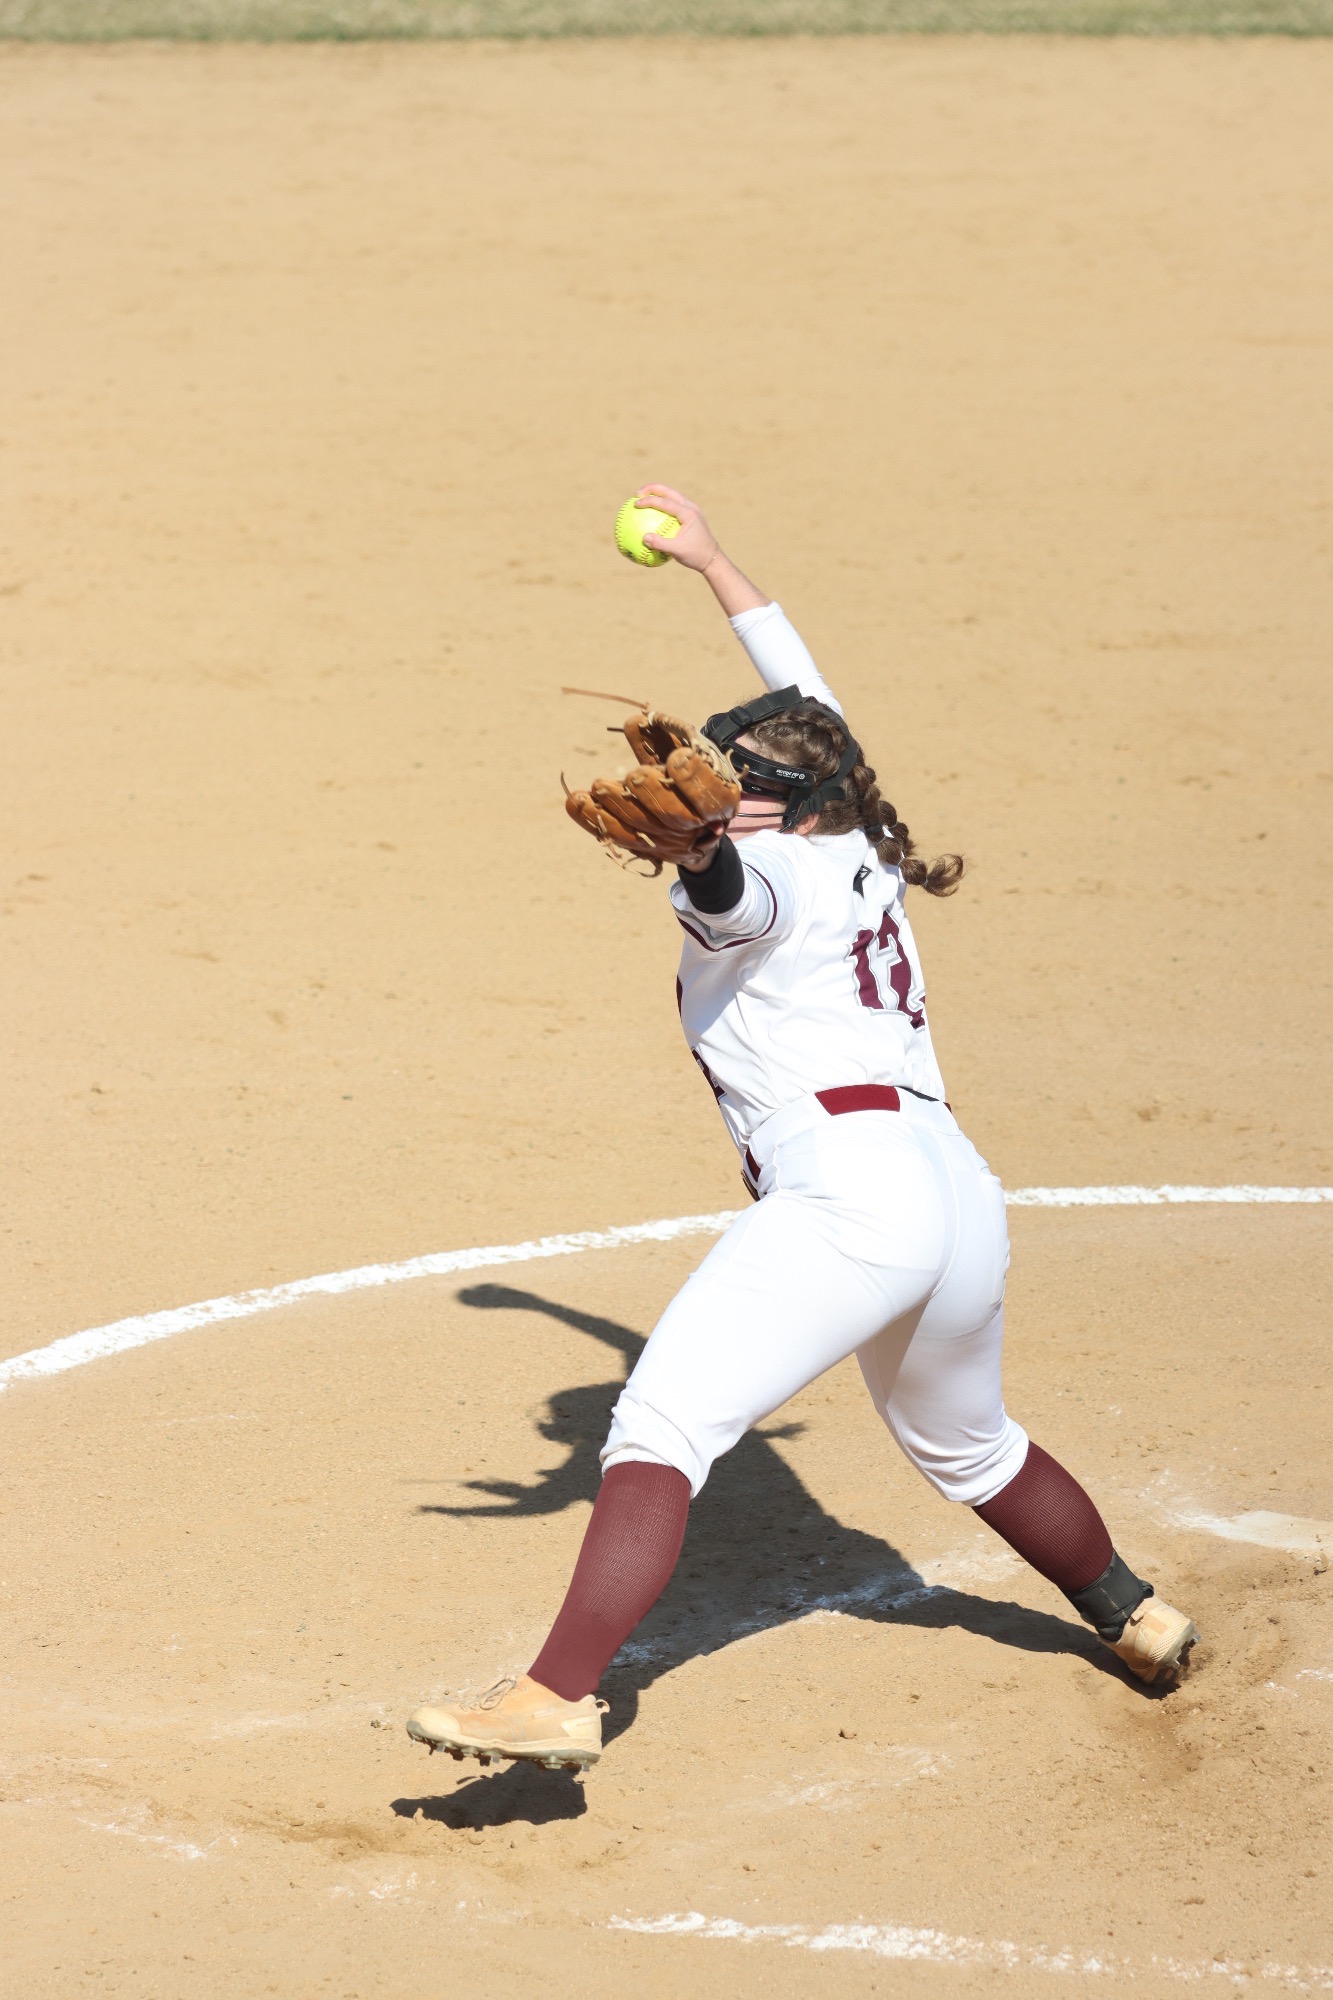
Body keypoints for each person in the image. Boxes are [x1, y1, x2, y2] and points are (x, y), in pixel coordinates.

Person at [406, 485, 1199, 1774]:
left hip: (848, 1196)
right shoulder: (859, 838)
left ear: (782, 805)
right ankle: (1136, 1613)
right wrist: (714, 563)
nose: (709, 786)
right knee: (972, 1442)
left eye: (734, 784)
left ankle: (556, 1695)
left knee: (659, 1426)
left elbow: (729, 885)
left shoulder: (757, 874)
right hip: (954, 1192)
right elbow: (806, 696)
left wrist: (705, 855)